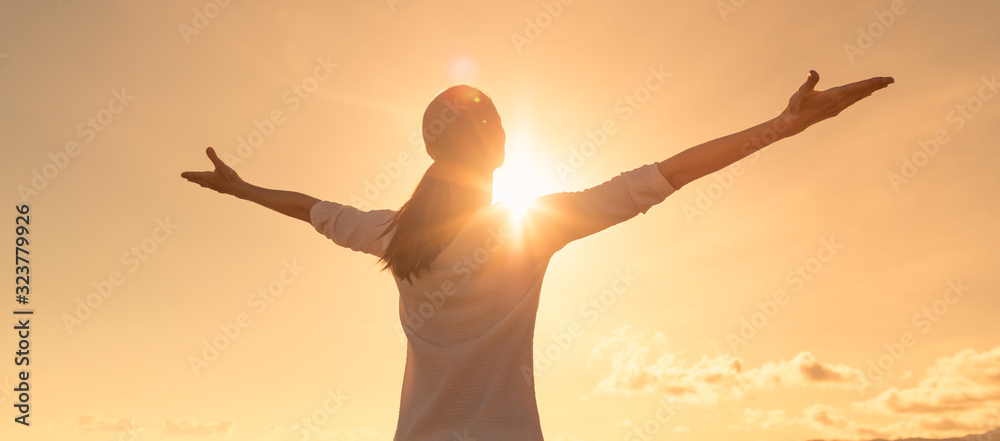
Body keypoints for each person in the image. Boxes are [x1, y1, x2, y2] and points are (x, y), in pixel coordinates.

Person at [181, 70, 894, 440]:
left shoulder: (395, 235)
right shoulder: (531, 225)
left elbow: (312, 208)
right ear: (496, 146)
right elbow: (665, 174)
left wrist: (242, 188)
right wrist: (780, 127)